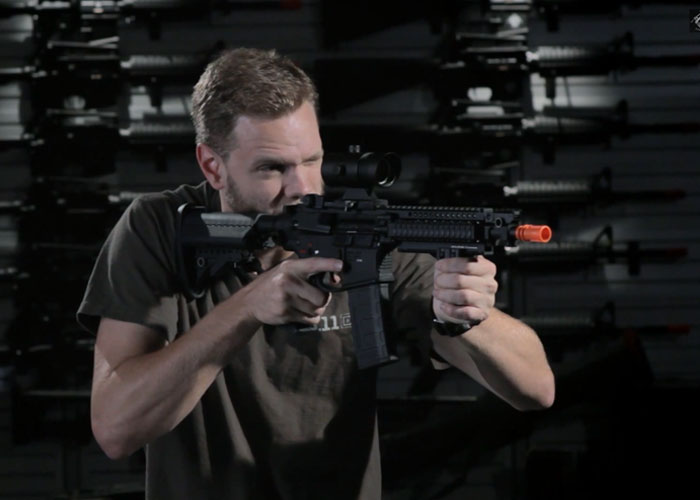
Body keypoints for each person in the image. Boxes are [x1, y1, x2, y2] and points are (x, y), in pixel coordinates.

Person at [78, 47, 554, 500]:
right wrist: (247, 308)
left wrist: (468, 316)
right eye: (273, 168)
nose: (303, 188)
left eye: (312, 161)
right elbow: (116, 429)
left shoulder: (363, 233)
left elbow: (537, 390)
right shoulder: (161, 227)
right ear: (212, 166)